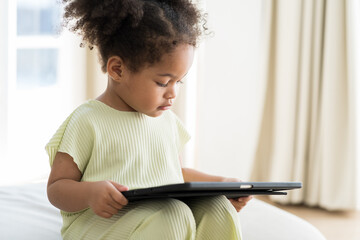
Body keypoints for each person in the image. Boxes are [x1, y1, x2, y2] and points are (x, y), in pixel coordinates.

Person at [46, 0, 252, 239]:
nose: (173, 93)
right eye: (163, 82)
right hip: (100, 223)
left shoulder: (167, 121)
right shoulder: (87, 120)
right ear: (118, 70)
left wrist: (223, 184)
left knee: (216, 207)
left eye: (179, 82)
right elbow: (56, 188)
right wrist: (90, 193)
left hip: (155, 216)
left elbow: (175, 173)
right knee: (174, 213)